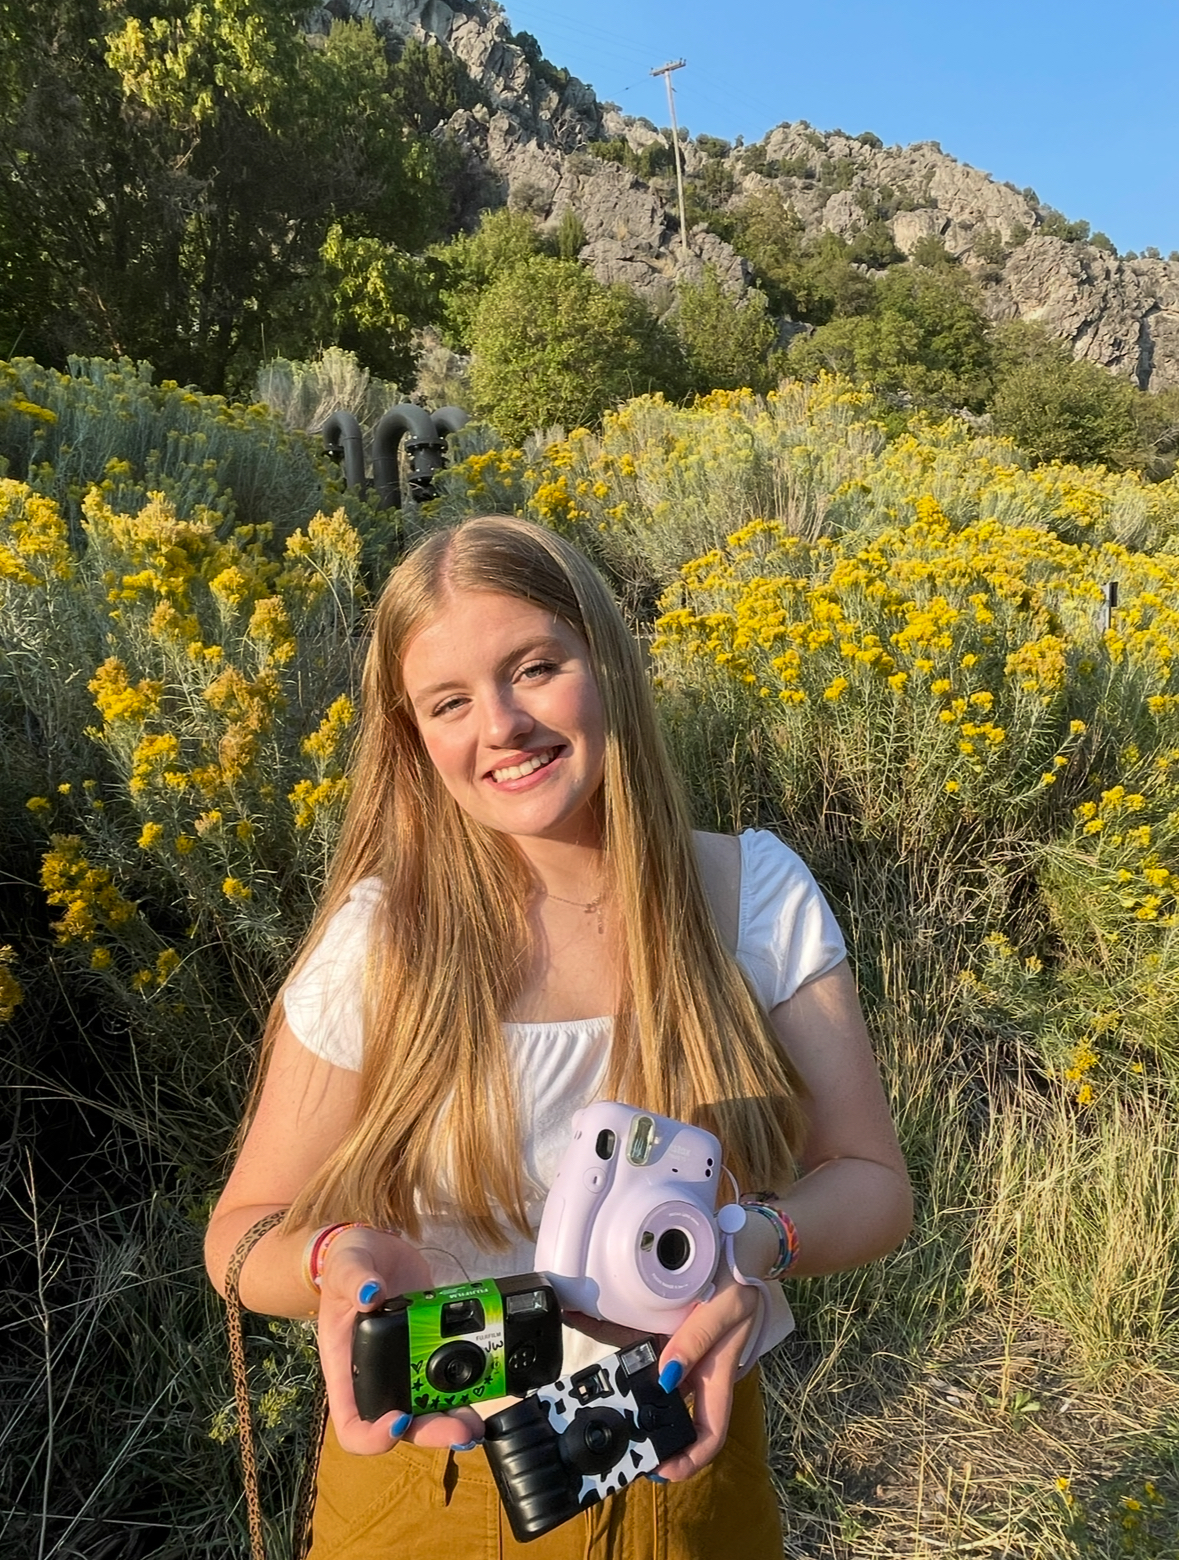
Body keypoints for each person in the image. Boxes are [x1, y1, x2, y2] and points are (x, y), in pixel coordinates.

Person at [205, 514, 912, 1560]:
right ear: (414, 735)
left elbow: (872, 1183)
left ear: (607, 661)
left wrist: (746, 1245)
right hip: (429, 1484)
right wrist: (329, 1261)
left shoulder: (751, 897)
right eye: (449, 701)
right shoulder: (383, 940)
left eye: (534, 668)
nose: (501, 726)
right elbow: (238, 1234)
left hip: (685, 1468)